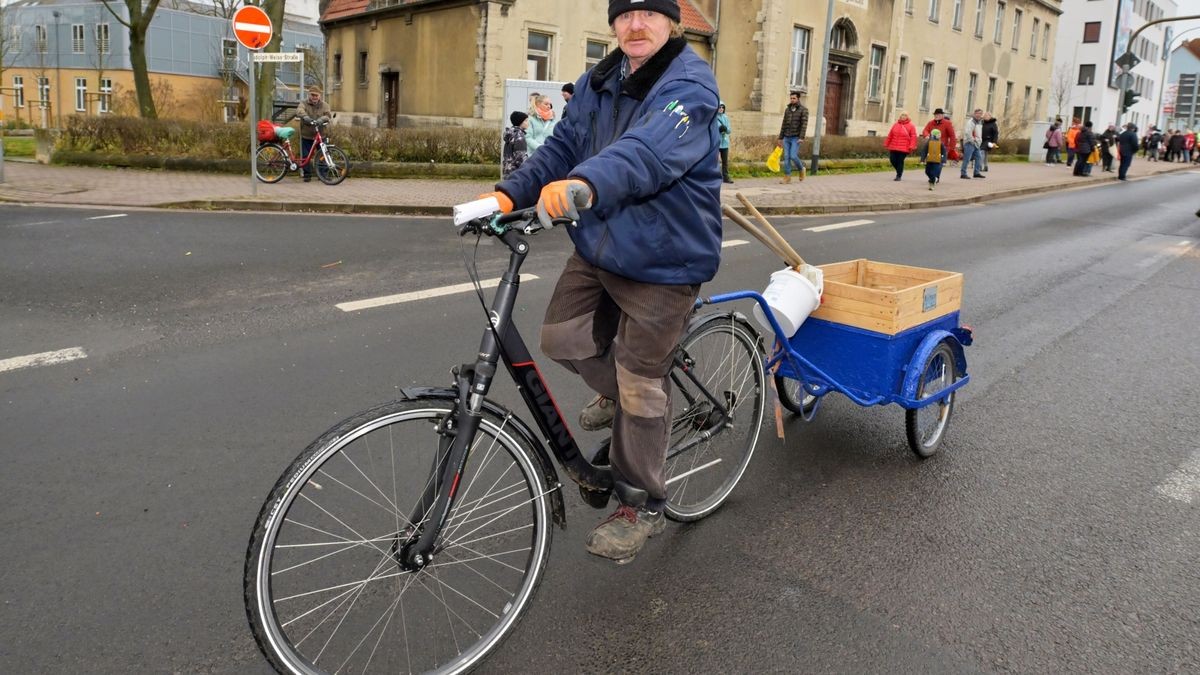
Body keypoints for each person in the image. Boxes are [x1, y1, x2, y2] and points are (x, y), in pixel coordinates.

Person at [480, 0, 722, 564]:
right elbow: (563, 146)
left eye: (650, 13)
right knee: (561, 335)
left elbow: (648, 153)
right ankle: (635, 399)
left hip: (666, 260)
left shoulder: (691, 86)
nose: (636, 25)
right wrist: (507, 193)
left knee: (640, 385)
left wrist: (582, 183)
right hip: (602, 245)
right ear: (613, 23)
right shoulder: (600, 79)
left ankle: (641, 504)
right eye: (625, 14)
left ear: (672, 22)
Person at [289, 86, 331, 182]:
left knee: (323, 155)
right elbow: (299, 110)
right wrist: (305, 117)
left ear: (319, 96)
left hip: (320, 134)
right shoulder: (304, 103)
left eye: (316, 95)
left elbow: (328, 115)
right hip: (307, 134)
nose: (314, 97)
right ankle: (307, 175)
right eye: (312, 95)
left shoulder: (325, 105)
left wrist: (321, 119)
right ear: (309, 95)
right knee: (305, 155)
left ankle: (323, 174)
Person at [777, 90, 808, 183]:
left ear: (798, 99)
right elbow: (784, 124)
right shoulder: (788, 110)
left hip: (796, 138)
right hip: (786, 137)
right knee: (786, 157)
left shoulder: (803, 110)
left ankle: (801, 169)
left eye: (794, 98)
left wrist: (801, 137)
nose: (792, 100)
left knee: (793, 156)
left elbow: (804, 124)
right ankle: (787, 177)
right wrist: (780, 137)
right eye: (791, 98)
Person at [884, 110, 917, 181]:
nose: (903, 116)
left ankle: (898, 175)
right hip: (893, 146)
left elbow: (913, 137)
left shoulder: (911, 126)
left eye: (905, 115)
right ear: (900, 116)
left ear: (907, 117)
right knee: (892, 160)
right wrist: (886, 143)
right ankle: (899, 171)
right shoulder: (895, 125)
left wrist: (911, 146)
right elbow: (890, 135)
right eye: (902, 115)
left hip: (904, 148)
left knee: (900, 161)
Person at [502, 111, 530, 178]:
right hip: (517, 173)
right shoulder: (519, 136)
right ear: (520, 122)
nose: (528, 123)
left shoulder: (511, 134)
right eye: (525, 121)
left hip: (508, 170)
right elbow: (520, 157)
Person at [960, 108, 985, 179]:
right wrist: (973, 140)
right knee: (967, 159)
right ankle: (963, 173)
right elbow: (968, 133)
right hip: (969, 143)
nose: (979, 115)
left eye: (980, 113)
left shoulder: (980, 122)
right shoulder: (971, 122)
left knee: (979, 158)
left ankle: (976, 173)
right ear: (974, 114)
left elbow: (979, 133)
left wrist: (978, 141)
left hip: (976, 143)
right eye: (977, 113)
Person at [716, 101, 734, 183]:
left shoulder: (726, 118)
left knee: (725, 162)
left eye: (723, 107)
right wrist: (719, 129)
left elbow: (729, 130)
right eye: (720, 107)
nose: (721, 109)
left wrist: (725, 129)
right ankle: (715, 177)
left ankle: (726, 177)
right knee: (715, 161)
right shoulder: (714, 118)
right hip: (717, 142)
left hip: (725, 143)